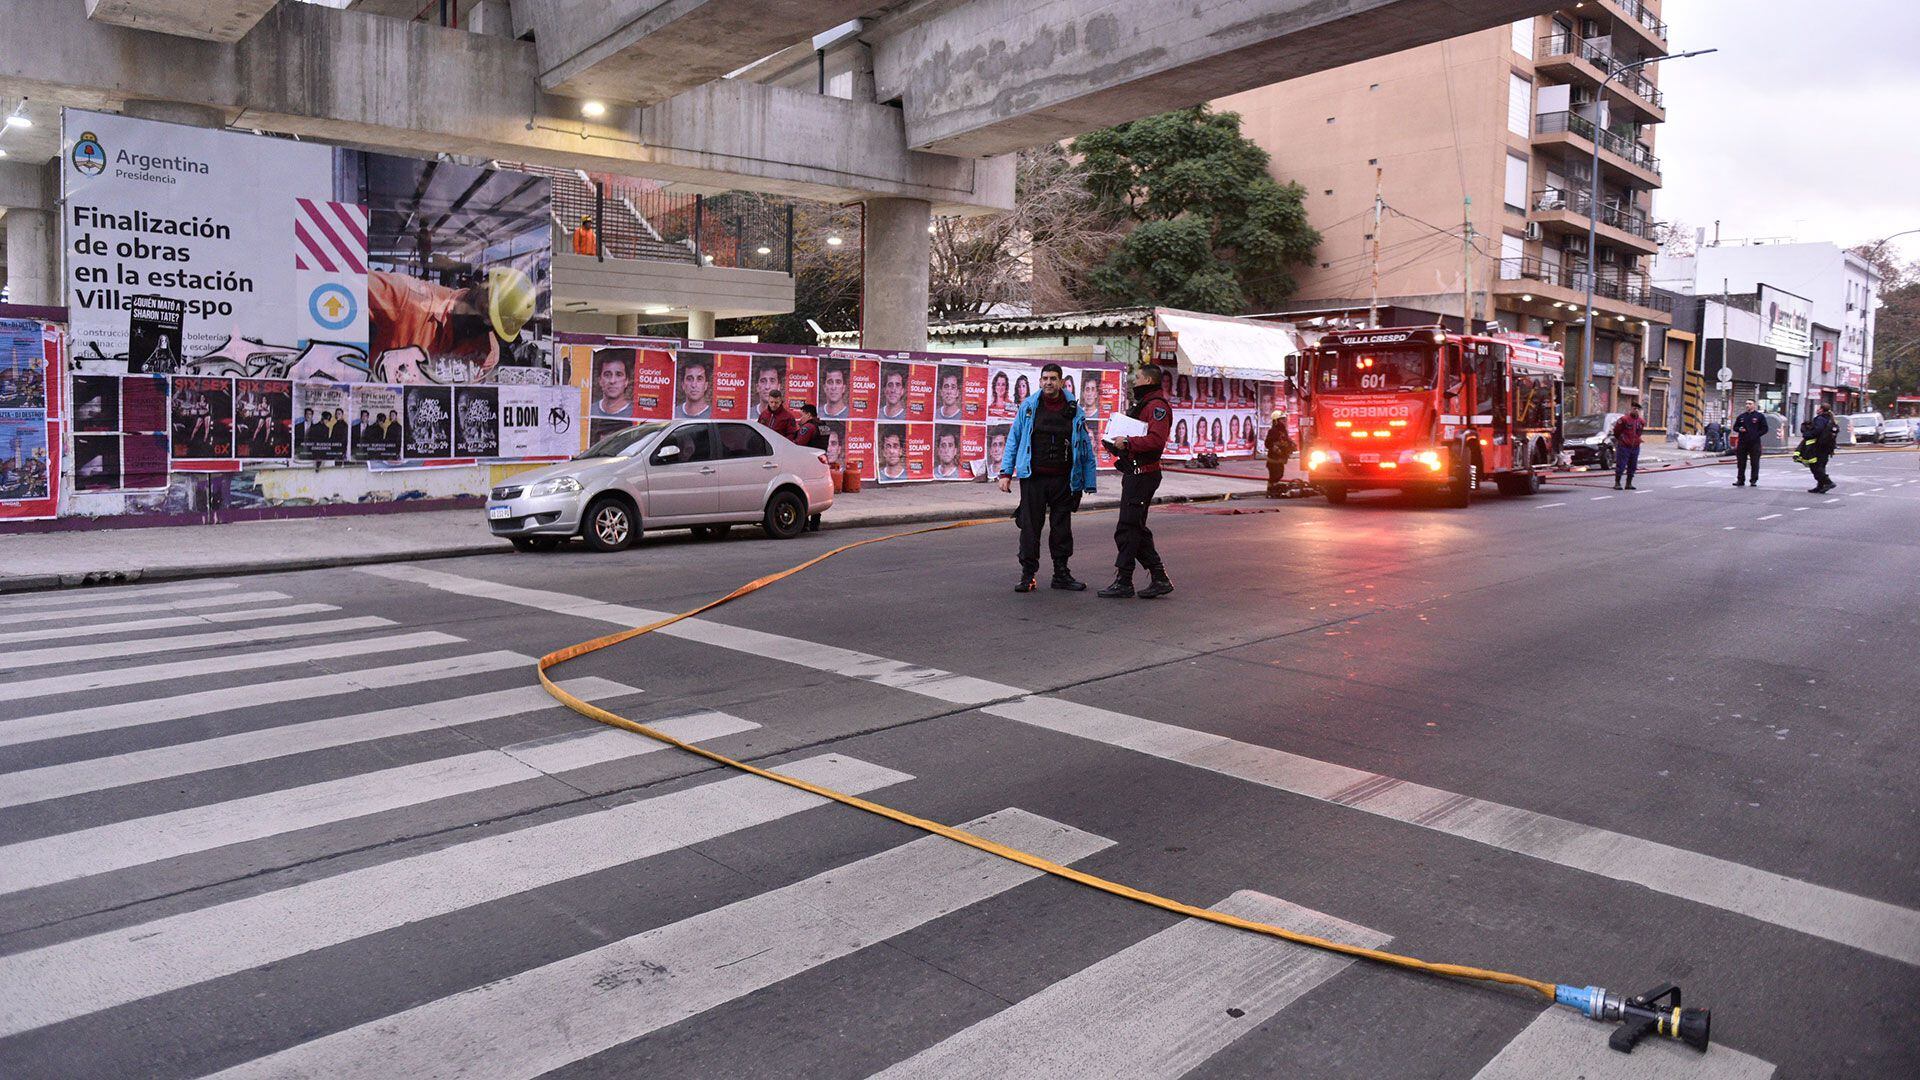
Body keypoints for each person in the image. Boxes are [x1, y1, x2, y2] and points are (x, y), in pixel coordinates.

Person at [999, 362, 1097, 592]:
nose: (1049, 383)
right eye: (1045, 379)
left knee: (1062, 528)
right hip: (1034, 478)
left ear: (1062, 382)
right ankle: (1027, 575)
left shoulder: (1074, 409)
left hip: (1064, 479)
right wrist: (1006, 473)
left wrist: (1088, 480)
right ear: (1040, 381)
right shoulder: (1030, 406)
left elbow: (1084, 447)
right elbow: (1014, 439)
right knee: (1030, 528)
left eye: (1053, 379)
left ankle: (1061, 574)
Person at [1099, 363, 1174, 599]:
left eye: (1138, 378)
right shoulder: (1144, 405)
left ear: (1149, 381)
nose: (1134, 382)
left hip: (1144, 475)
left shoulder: (1157, 407)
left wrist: (1129, 443)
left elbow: (1155, 441)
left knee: (1128, 528)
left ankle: (1124, 580)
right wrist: (1115, 443)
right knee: (1135, 527)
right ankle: (1159, 577)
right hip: (1135, 473)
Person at [1732, 399, 1768, 487]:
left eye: (1749, 404)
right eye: (1746, 403)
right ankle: (1740, 480)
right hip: (1742, 442)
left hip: (1754, 443)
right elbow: (1735, 427)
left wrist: (1756, 435)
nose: (1747, 405)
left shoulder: (1759, 416)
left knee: (1754, 462)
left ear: (1754, 405)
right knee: (1741, 462)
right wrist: (1739, 429)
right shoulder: (1741, 416)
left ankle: (1753, 480)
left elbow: (1765, 429)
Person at [1611, 403, 1646, 490]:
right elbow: (1616, 431)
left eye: (1638, 409)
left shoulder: (1641, 422)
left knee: (1633, 466)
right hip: (1624, 446)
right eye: (1634, 408)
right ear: (1631, 409)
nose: (1636, 410)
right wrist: (1622, 439)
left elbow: (1639, 433)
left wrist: (1637, 441)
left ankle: (1629, 483)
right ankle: (1617, 483)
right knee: (1621, 465)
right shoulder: (1624, 419)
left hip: (1635, 447)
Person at [1806, 403, 1839, 493]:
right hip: (1828, 446)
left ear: (1821, 409)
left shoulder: (1820, 419)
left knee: (1815, 466)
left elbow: (1817, 430)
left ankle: (1828, 482)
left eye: (1818, 408)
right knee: (1821, 465)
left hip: (1818, 445)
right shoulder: (1831, 419)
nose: (1817, 410)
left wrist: (1807, 434)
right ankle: (1820, 486)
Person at [594, 351, 634, 417]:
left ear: (626, 381)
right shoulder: (590, 411)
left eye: (618, 375)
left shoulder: (634, 413)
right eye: (607, 375)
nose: (612, 381)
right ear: (600, 380)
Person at [1264, 412, 1294, 496]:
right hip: (1273, 459)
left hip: (1280, 459)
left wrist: (1291, 445)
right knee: (1274, 475)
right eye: (1282, 419)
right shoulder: (1273, 431)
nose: (1284, 421)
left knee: (1280, 474)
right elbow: (1267, 443)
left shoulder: (1283, 431)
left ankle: (1273, 489)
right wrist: (1275, 448)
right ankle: (1270, 490)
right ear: (1276, 421)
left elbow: (1286, 441)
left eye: (1285, 419)